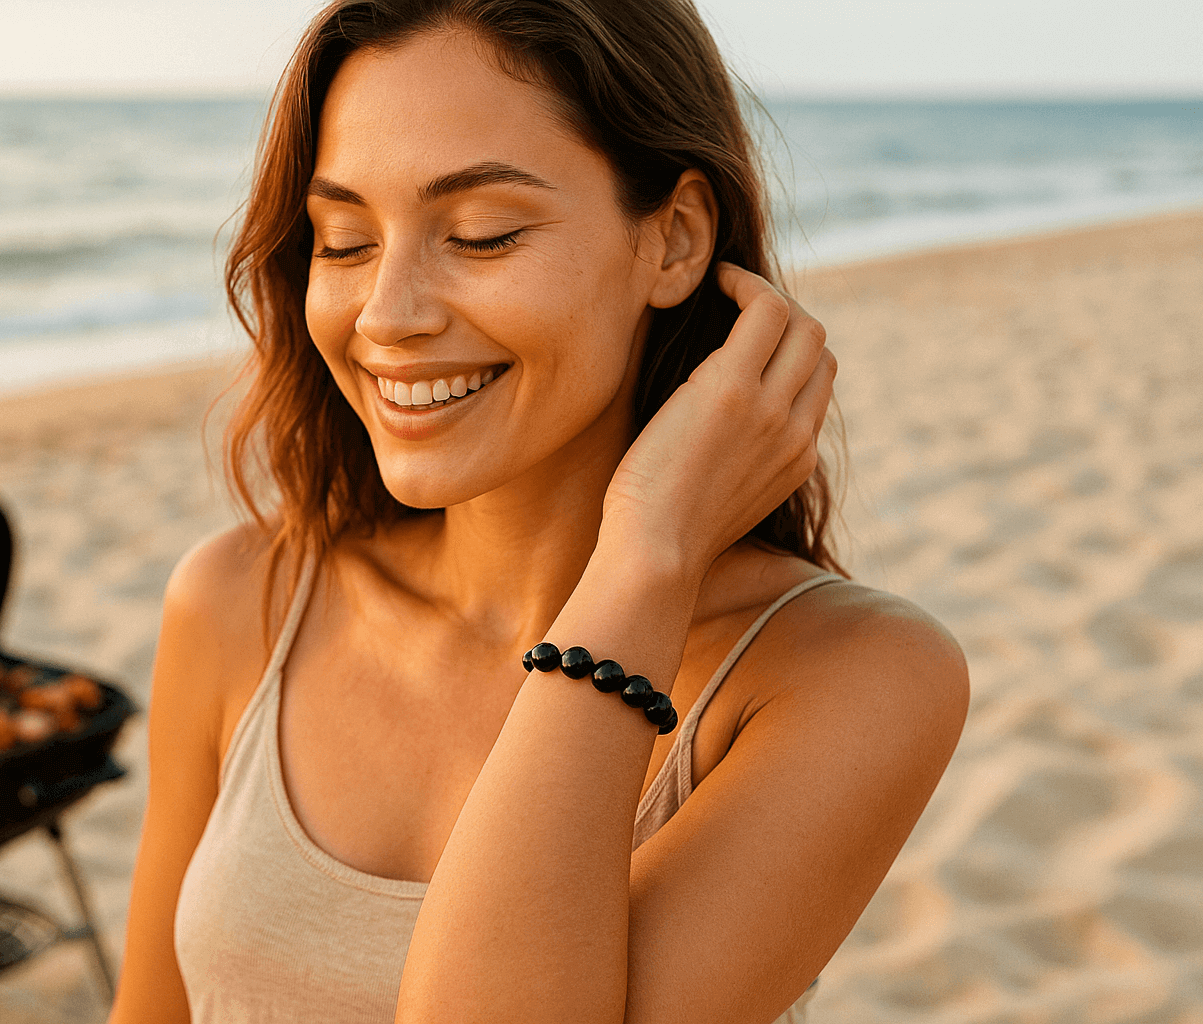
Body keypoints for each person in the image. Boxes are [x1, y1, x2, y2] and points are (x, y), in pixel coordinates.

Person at [109, 1, 969, 1021]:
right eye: (343, 241)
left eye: (481, 234)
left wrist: (646, 556)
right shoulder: (236, 601)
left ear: (675, 239)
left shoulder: (849, 675)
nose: (387, 313)